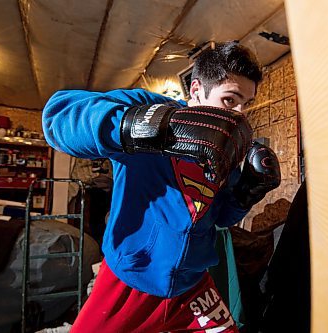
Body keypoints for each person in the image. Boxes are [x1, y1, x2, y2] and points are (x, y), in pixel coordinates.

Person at [42, 41, 281, 333]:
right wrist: (142, 127)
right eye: (230, 100)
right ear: (196, 90)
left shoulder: (227, 146)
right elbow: (58, 116)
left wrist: (247, 193)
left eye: (247, 103)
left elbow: (218, 218)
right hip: (132, 279)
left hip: (192, 285)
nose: (240, 113)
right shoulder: (151, 107)